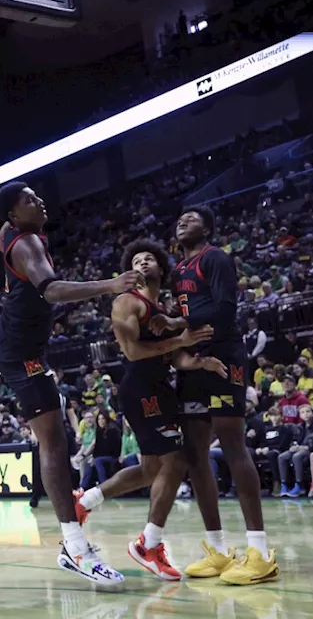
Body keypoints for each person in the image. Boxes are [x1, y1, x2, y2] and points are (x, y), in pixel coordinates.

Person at [0, 181, 140, 585]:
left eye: (36, 195)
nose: (39, 200)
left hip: (14, 337)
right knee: (54, 441)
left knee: (51, 424)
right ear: (13, 215)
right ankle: (75, 548)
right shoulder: (25, 243)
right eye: (29, 199)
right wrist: (110, 285)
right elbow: (53, 291)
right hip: (22, 353)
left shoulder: (8, 232)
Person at [72, 239, 225, 580]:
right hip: (141, 388)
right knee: (177, 460)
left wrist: (199, 361)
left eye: (149, 258)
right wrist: (180, 340)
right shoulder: (127, 301)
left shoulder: (164, 308)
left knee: (149, 471)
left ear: (161, 268)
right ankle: (148, 544)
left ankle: (83, 502)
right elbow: (133, 352)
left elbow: (174, 356)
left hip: (160, 387)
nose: (142, 262)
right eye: (136, 259)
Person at [171, 206, 278, 584]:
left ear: (208, 229)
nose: (183, 220)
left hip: (224, 355)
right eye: (180, 218)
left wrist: (179, 324)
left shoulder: (215, 258)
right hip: (196, 363)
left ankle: (260, 552)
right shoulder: (177, 271)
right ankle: (217, 549)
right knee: (194, 453)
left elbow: (224, 307)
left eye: (193, 218)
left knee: (233, 445)